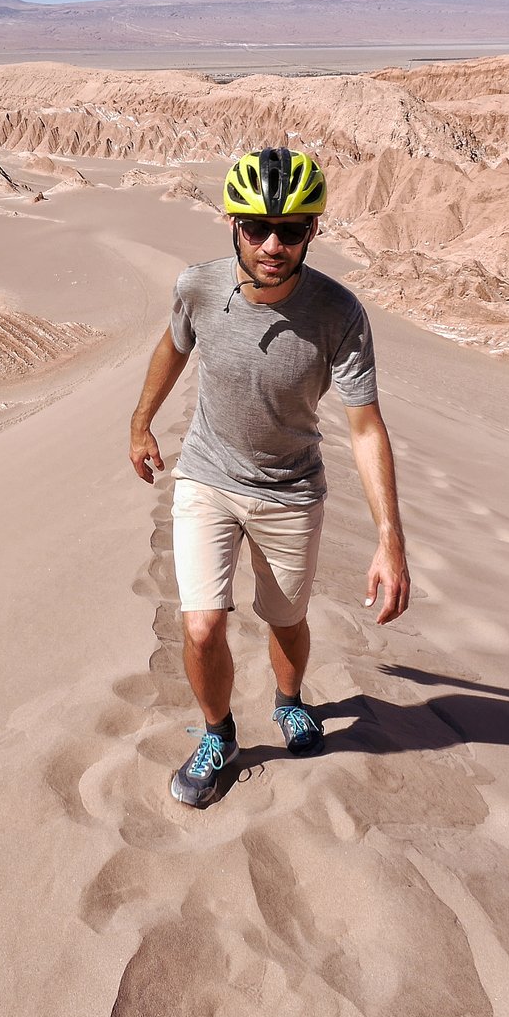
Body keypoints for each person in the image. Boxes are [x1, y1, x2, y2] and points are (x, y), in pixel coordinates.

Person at [129, 147, 411, 807]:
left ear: (314, 230)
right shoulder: (198, 286)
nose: (273, 244)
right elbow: (173, 346)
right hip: (206, 477)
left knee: (286, 622)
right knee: (200, 627)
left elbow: (366, 427)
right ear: (233, 224)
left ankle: (289, 701)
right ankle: (219, 734)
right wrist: (140, 423)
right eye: (257, 227)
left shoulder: (338, 314)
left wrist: (390, 538)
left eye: (291, 229)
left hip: (289, 492)